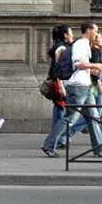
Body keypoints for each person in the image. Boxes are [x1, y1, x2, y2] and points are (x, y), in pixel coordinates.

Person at [59, 22, 102, 157]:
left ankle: (100, 150)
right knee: (70, 118)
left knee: (94, 116)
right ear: (88, 30)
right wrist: (95, 66)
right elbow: (77, 63)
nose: (98, 34)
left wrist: (92, 70)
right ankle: (54, 141)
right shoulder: (82, 44)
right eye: (96, 31)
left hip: (85, 85)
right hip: (78, 86)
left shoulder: (85, 45)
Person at [40, 25, 75, 157]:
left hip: (58, 81)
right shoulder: (61, 47)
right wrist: (60, 84)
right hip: (60, 81)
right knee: (61, 111)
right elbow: (58, 67)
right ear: (65, 35)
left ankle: (58, 138)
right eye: (71, 33)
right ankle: (59, 139)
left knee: (59, 110)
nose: (72, 35)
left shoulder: (60, 46)